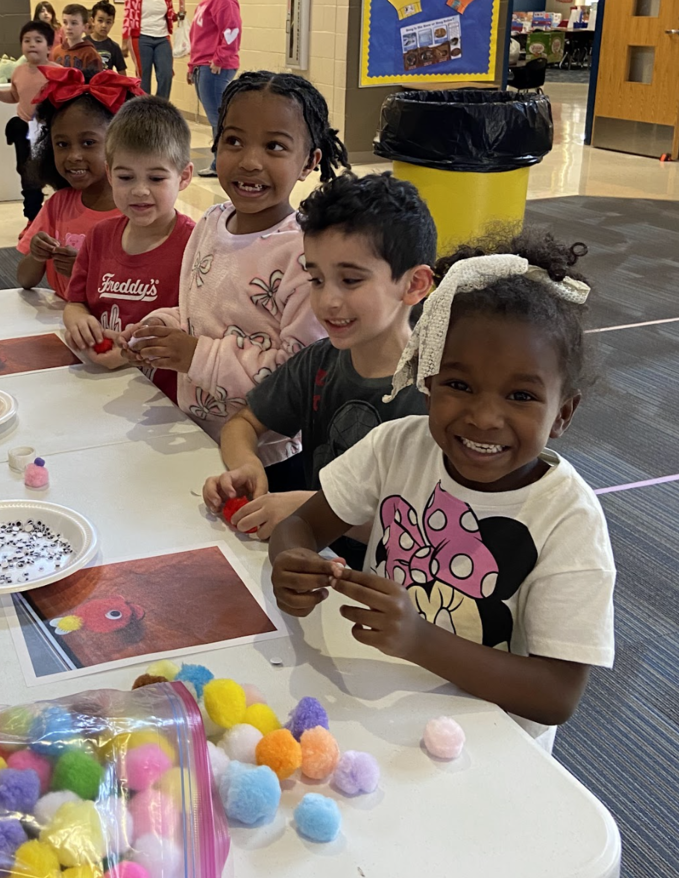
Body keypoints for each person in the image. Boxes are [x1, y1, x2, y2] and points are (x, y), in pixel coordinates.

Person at [270, 233, 616, 878]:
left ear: (563, 412)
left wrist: (420, 639)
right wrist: (290, 562)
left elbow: (557, 692)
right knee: (362, 870)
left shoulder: (567, 520)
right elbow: (302, 529)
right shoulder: (397, 447)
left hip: (492, 768)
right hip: (378, 719)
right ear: (427, 377)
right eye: (458, 384)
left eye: (522, 397)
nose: (484, 416)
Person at [122, 72, 348, 491]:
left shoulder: (304, 255)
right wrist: (164, 328)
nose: (249, 161)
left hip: (267, 458)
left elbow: (298, 378)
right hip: (191, 432)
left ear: (310, 162)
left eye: (275, 146)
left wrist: (196, 356)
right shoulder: (211, 222)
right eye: (234, 141)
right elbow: (201, 314)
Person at [203, 173, 435, 559]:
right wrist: (247, 465)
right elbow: (243, 423)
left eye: (350, 280)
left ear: (414, 285)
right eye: (316, 279)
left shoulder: (436, 395)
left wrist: (309, 512)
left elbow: (427, 529)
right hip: (315, 566)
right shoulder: (319, 362)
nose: (328, 300)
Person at [64, 95, 195, 403]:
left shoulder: (196, 244)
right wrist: (79, 323)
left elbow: (196, 330)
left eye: (156, 177)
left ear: (184, 177)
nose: (139, 190)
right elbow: (75, 303)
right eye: (125, 177)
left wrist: (129, 351)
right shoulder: (99, 237)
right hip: (98, 389)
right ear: (109, 174)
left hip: (162, 405)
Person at [16, 67, 143, 299]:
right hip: (60, 323)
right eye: (62, 144)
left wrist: (89, 271)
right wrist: (36, 255)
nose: (73, 156)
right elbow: (25, 280)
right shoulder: (57, 206)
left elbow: (146, 284)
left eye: (88, 143)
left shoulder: (137, 210)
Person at [0, 19, 59, 223]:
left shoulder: (59, 73)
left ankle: (59, 217)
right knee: (27, 174)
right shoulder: (18, 71)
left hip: (50, 131)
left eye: (38, 40)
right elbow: (14, 96)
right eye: (27, 40)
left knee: (55, 171)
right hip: (25, 129)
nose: (32, 44)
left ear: (49, 47)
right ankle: (32, 219)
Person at [187, 0, 241, 176]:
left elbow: (232, 30)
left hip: (214, 66)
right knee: (216, 118)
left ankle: (224, 163)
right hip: (202, 65)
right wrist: (191, 66)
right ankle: (221, 161)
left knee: (219, 118)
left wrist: (220, 58)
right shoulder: (205, 3)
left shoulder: (223, 2)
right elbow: (198, 37)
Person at [121, 0, 183, 100]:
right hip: (141, 37)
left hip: (162, 37)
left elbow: (169, 15)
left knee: (166, 75)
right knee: (144, 79)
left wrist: (178, 16)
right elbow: (128, 18)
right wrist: (124, 42)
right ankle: (145, 110)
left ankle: (161, 108)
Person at [50, 4, 103, 78]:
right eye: (65, 22)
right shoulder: (57, 51)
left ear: (85, 27)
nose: (68, 27)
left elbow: (96, 83)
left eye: (74, 23)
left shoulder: (90, 54)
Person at [87, 2, 125, 72]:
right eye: (100, 21)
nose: (104, 25)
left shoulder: (114, 47)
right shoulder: (82, 43)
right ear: (92, 21)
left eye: (108, 22)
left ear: (112, 23)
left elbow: (122, 74)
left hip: (105, 82)